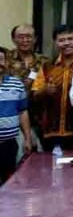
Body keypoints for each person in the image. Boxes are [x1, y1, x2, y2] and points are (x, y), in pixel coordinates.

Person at [32, 24, 73, 149]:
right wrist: (44, 90)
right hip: (51, 132)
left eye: (70, 39)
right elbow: (34, 95)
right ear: (55, 42)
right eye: (61, 40)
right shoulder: (47, 66)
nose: (66, 43)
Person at [0, 49, 30, 182]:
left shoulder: (16, 84)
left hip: (9, 145)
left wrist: (27, 138)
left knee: (9, 182)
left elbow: (23, 111)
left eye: (1, 59)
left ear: (7, 62)